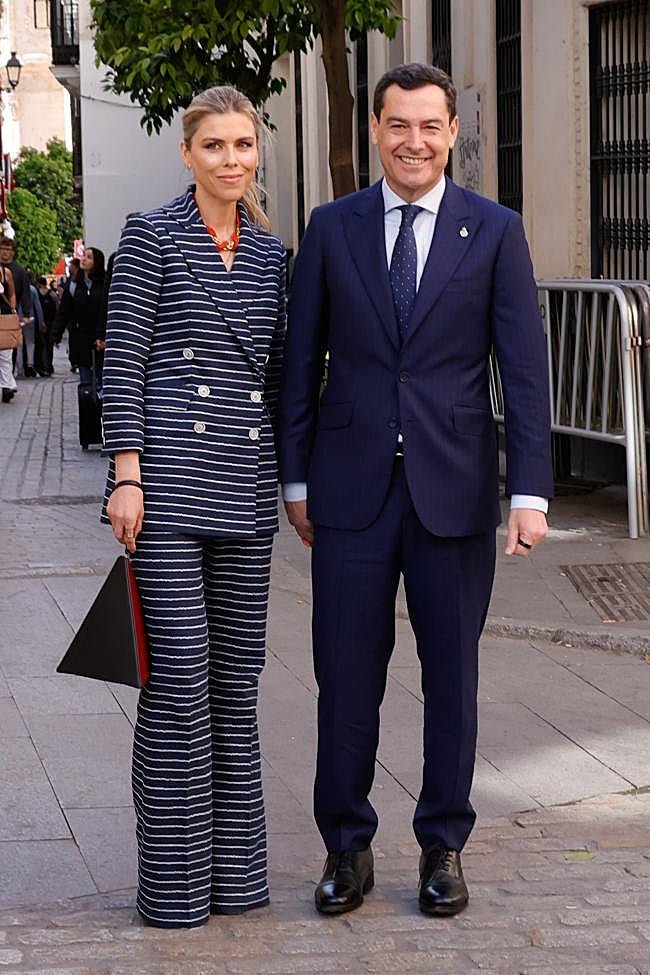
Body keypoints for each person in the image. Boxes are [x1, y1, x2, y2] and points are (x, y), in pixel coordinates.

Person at [279, 63, 553, 919]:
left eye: (430, 126)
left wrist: (531, 492)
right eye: (399, 125)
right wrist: (295, 476)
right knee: (346, 676)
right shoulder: (332, 227)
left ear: (453, 132)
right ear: (373, 127)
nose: (414, 141)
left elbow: (525, 368)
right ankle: (347, 849)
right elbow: (300, 363)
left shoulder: (496, 231)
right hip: (349, 492)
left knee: (453, 679)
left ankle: (444, 846)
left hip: (456, 489)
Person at [100, 85, 286, 929]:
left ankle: (238, 879)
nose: (231, 160)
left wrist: (296, 486)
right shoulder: (151, 236)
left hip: (245, 491)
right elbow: (124, 361)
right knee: (179, 683)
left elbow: (280, 383)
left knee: (237, 688)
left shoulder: (275, 256)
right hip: (169, 490)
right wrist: (126, 475)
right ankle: (174, 887)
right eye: (214, 146)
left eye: (243, 145)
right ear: (187, 154)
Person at [54, 248, 105, 386]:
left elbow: (106, 310)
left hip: (100, 339)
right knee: (86, 383)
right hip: (81, 339)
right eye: (83, 255)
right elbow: (64, 311)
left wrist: (103, 335)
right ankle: (87, 406)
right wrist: (56, 334)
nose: (83, 259)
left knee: (102, 381)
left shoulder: (104, 284)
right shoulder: (74, 284)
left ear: (97, 262)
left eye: (89, 257)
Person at [0, 236, 33, 376]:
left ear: (13, 252)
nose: (5, 252)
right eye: (2, 249)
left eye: (8, 249)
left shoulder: (19, 271)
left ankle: (8, 378)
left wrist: (25, 314)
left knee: (9, 345)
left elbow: (25, 293)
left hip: (10, 312)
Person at [0, 262, 18, 402]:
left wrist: (13, 309)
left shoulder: (5, 272)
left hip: (4, 317)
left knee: (5, 355)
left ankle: (7, 386)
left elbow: (11, 294)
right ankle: (8, 384)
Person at [36, 276, 58, 375]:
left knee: (41, 345)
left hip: (40, 322)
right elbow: (57, 308)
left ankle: (42, 365)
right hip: (51, 322)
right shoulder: (52, 294)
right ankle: (49, 365)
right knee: (49, 345)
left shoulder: (37, 294)